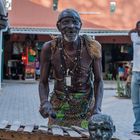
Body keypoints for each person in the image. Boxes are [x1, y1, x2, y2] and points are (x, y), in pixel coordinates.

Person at [39, 9, 103, 127]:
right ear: (58, 26)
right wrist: (44, 102)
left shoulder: (92, 47)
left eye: (75, 22)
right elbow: (43, 82)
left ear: (80, 26)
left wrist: (97, 108)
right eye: (65, 22)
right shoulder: (49, 48)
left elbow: (98, 80)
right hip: (58, 107)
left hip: (86, 107)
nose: (71, 26)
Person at [129, 21, 140, 135]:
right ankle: (137, 128)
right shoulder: (134, 36)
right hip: (136, 73)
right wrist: (134, 29)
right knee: (136, 104)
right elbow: (129, 32)